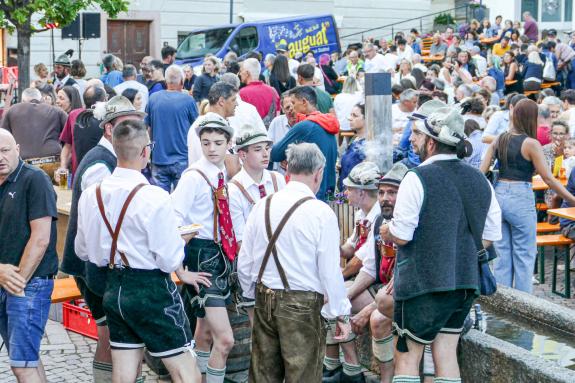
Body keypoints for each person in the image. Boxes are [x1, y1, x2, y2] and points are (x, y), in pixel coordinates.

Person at [74, 119, 202, 383]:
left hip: (112, 287)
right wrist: (182, 240)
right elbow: (168, 260)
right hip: (150, 289)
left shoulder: (91, 194)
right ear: (146, 151)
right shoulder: (154, 195)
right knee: (187, 373)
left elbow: (82, 250)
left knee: (124, 375)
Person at [383, 104, 502, 383]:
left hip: (422, 283)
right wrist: (455, 248)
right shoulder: (479, 178)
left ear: (432, 142)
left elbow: (402, 234)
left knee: (407, 355)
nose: (412, 139)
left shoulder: (417, 177)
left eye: (416, 134)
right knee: (446, 353)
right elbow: (490, 234)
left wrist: (386, 230)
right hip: (464, 281)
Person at [238, 142, 351, 382]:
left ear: (287, 169)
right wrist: (339, 314)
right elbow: (330, 271)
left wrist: (251, 296)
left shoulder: (262, 205)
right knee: (303, 376)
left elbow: (245, 261)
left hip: (264, 297)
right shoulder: (320, 213)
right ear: (319, 172)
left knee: (263, 376)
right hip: (302, 304)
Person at [60, 95, 145, 382]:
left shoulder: (110, 159)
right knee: (111, 336)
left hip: (98, 263)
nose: (135, 127)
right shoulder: (99, 163)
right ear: (109, 129)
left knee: (116, 336)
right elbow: (104, 220)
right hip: (93, 266)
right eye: (127, 122)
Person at [481, 99, 575, 293]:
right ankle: (524, 304)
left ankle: (504, 305)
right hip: (520, 196)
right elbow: (548, 179)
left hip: (499, 195)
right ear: (531, 118)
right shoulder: (531, 143)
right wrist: (573, 199)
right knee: (524, 254)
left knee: (502, 254)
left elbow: (481, 172)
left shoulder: (500, 139)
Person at [171, 115, 237, 383]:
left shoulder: (221, 172)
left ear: (228, 144)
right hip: (201, 255)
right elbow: (173, 223)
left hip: (221, 254)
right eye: (206, 142)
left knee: (204, 334)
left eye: (218, 143)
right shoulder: (193, 177)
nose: (211, 149)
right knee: (225, 340)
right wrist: (180, 271)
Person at [335, 162, 409, 383]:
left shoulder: (408, 223)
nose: (384, 198)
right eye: (382, 192)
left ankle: (384, 377)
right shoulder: (376, 220)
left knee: (376, 318)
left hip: (404, 294)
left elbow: (361, 263)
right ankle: (348, 369)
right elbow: (368, 265)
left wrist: (367, 308)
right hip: (383, 288)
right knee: (336, 298)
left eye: (392, 193)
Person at [0, 129, 58, 383]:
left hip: (29, 282)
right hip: (6, 279)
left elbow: (41, 238)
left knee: (21, 365)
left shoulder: (34, 179)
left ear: (17, 149)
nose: (0, 157)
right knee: (25, 358)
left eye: (4, 150)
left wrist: (18, 283)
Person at [324, 162, 382, 383]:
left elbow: (360, 262)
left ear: (361, 192)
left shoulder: (378, 218)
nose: (345, 192)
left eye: (348, 188)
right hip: (366, 281)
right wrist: (329, 245)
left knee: (335, 298)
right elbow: (349, 248)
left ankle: (349, 368)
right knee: (330, 294)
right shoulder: (361, 214)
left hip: (377, 286)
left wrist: (337, 282)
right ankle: (337, 366)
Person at [271, 86, 339, 201]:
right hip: (328, 194)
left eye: (293, 102)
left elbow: (275, 154)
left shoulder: (305, 126)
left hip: (310, 195)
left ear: (303, 102)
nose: (292, 108)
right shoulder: (327, 124)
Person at [146, 65, 199, 192]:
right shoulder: (188, 100)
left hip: (159, 158)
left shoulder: (153, 98)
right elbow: (196, 128)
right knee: (182, 202)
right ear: (182, 81)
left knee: (159, 200)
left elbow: (147, 129)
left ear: (165, 81)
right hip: (182, 159)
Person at [1, 87, 67, 179]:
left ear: (22, 100)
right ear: (41, 99)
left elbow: (3, 137)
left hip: (23, 165)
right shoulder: (57, 111)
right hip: (53, 162)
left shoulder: (12, 110)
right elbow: (69, 139)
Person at [187, 81, 239, 166]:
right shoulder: (214, 126)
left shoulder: (200, 123)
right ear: (221, 101)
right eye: (233, 100)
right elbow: (232, 168)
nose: (236, 104)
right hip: (212, 177)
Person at [239, 58, 280, 127]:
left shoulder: (242, 93)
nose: (240, 74)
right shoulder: (273, 91)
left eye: (241, 71)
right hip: (271, 133)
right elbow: (277, 115)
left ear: (247, 73)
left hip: (253, 134)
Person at [339, 103, 367, 191]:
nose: (350, 118)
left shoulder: (369, 145)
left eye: (355, 116)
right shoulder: (354, 139)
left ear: (367, 118)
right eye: (351, 115)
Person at [268, 93, 297, 173]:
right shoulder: (276, 122)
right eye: (288, 108)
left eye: (294, 106)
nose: (292, 110)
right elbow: (268, 147)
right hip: (281, 173)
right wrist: (279, 158)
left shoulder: (305, 122)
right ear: (283, 110)